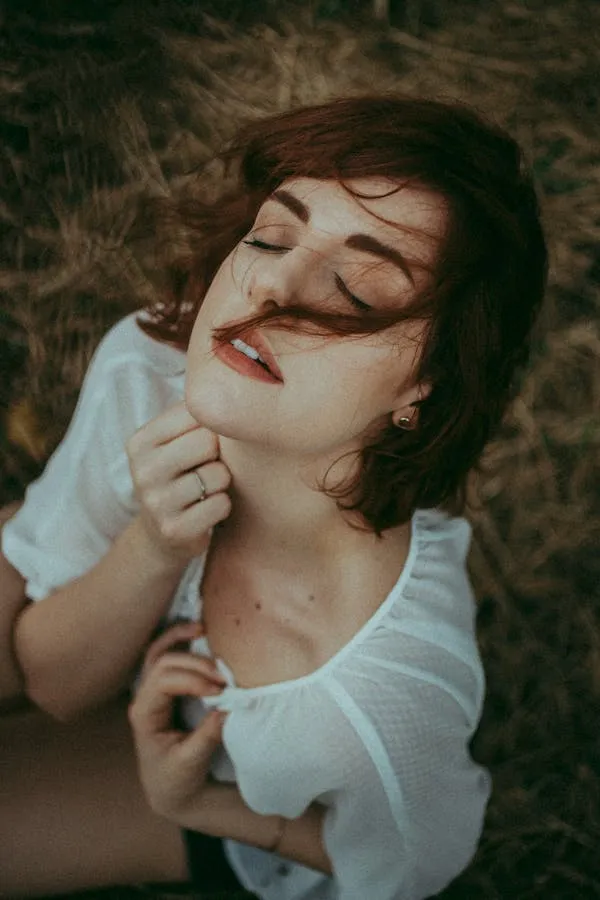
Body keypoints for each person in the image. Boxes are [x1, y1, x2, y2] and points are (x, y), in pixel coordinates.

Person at [0, 94, 547, 899]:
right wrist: (152, 545)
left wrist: (201, 802)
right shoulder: (151, 371)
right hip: (95, 616)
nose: (273, 285)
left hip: (212, 781)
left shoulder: (373, 702)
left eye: (356, 291)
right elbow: (50, 675)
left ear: (425, 385)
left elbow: (414, 862)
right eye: (269, 234)